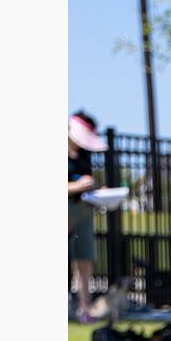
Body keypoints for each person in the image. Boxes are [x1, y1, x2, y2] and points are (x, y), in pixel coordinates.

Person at [68, 112, 104, 323]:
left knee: (84, 262)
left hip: (84, 210)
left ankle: (85, 309)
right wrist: (75, 187)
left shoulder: (84, 156)